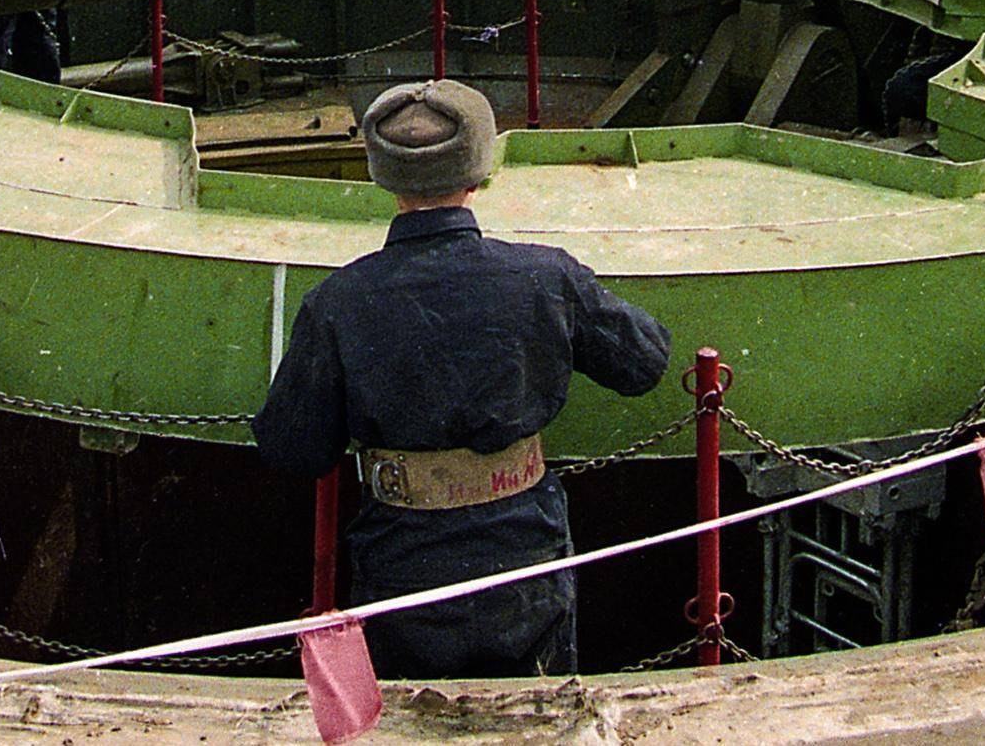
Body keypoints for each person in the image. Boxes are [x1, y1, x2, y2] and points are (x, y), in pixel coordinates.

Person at [253, 80, 673, 677]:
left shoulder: (338, 301)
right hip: (525, 556)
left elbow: (293, 448)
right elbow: (645, 364)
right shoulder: (544, 277)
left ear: (384, 176)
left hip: (403, 561)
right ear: (479, 173)